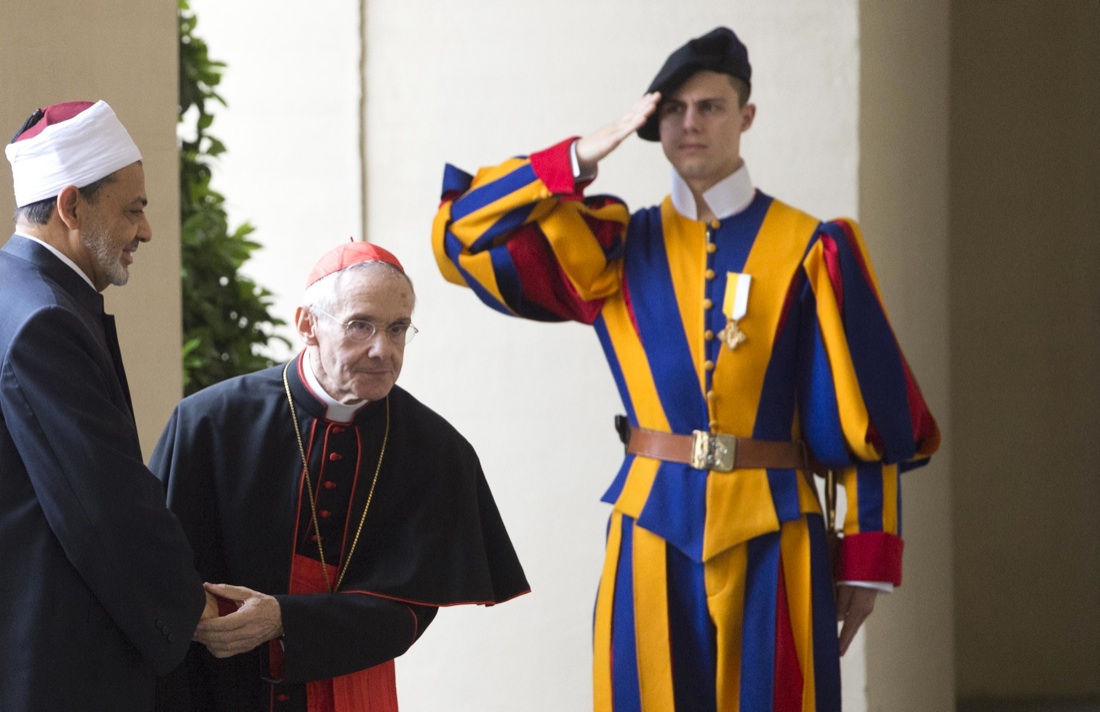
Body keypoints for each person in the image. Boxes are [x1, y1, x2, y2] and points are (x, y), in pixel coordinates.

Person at [431, 27, 940, 711]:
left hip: (780, 530)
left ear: (747, 116)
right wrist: (577, 157)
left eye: (710, 106)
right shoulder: (610, 249)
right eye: (673, 109)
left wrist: (868, 555)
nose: (690, 123)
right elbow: (460, 233)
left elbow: (866, 412)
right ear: (653, 123)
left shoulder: (811, 247)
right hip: (650, 524)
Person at [150, 240, 530, 712]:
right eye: (360, 326)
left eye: (397, 329)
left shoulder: (435, 449)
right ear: (307, 325)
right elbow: (158, 563)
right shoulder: (210, 422)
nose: (382, 350)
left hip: (354, 685)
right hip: (224, 685)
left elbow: (409, 611)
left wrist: (284, 619)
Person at [0, 101, 217, 711]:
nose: (145, 232)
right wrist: (195, 607)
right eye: (133, 210)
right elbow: (102, 504)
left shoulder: (16, 293)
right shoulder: (45, 319)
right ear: (71, 206)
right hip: (55, 666)